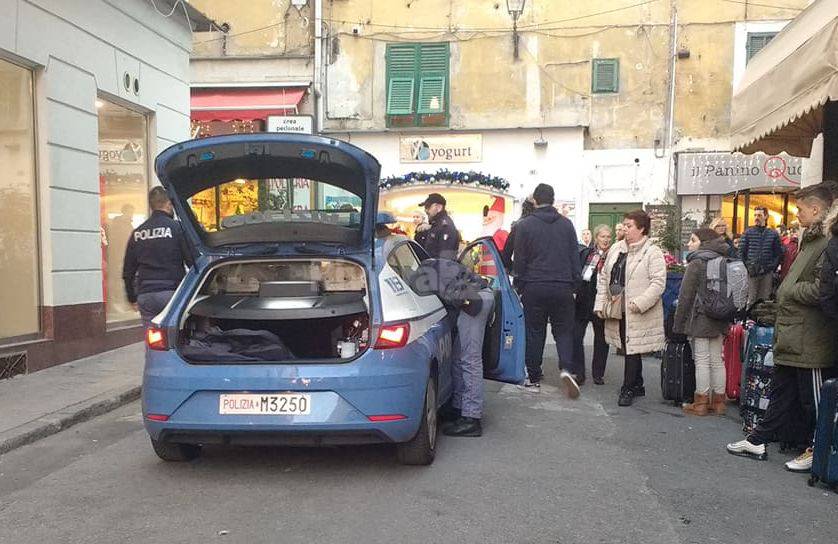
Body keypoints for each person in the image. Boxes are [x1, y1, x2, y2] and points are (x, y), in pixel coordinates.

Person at [726, 184, 837, 472]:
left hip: (810, 333)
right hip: (793, 329)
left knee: (814, 399)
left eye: (800, 209)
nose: (796, 214)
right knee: (780, 390)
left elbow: (822, 288)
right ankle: (758, 438)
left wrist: (788, 292)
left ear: (816, 210)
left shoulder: (825, 242)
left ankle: (818, 447)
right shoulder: (810, 240)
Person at [504, 183, 581, 398]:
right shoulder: (567, 225)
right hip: (562, 285)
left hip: (535, 285)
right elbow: (574, 256)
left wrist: (519, 283)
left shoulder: (525, 225)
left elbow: (519, 258)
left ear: (535, 201)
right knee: (564, 331)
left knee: (535, 332)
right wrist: (574, 285)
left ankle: (534, 377)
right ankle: (566, 369)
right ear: (553, 200)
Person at [408, 258, 494, 437]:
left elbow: (464, 299)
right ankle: (460, 408)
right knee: (459, 358)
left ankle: (471, 418)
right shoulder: (433, 265)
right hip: (479, 295)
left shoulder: (423, 276)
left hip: (473, 301)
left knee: (469, 359)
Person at [595, 210, 666, 407]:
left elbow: (658, 283)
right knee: (629, 347)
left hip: (637, 309)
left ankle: (628, 387)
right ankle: (638, 383)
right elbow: (604, 278)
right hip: (618, 305)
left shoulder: (652, 252)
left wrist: (640, 303)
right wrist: (600, 304)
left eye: (629, 226)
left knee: (632, 348)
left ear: (642, 229)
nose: (625, 229)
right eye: (624, 225)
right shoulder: (617, 249)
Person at [673, 228, 731, 416]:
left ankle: (701, 403)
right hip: (721, 315)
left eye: (693, 240)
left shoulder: (697, 262)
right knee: (717, 359)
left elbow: (685, 296)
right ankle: (719, 402)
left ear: (703, 243)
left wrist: (678, 323)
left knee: (702, 360)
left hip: (701, 317)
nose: (689, 244)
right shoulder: (724, 259)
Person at [123, 187, 194, 328]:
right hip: (171, 294)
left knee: (153, 339)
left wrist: (132, 297)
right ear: (168, 204)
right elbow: (192, 262)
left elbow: (128, 271)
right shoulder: (176, 228)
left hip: (145, 295)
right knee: (174, 336)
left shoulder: (138, 232)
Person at [573, 224, 612, 386]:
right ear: (596, 238)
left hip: (602, 302)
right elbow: (584, 278)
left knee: (602, 339)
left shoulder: (614, 256)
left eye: (609, 237)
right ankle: (579, 373)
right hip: (584, 301)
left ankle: (598, 374)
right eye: (603, 236)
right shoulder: (589, 255)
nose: (606, 240)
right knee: (576, 337)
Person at [740, 206, 783, 305]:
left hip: (767, 272)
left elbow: (778, 253)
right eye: (755, 215)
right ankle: (750, 319)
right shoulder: (748, 232)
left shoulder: (773, 234)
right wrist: (748, 266)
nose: (756, 217)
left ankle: (762, 320)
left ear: (766, 216)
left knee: (765, 299)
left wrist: (771, 267)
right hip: (752, 272)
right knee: (751, 299)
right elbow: (741, 252)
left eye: (759, 215)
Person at [416, 193, 460, 260]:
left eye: (428, 206)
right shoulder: (436, 225)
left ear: (438, 207)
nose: (426, 210)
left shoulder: (445, 227)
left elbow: (444, 258)